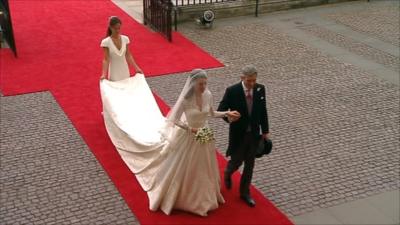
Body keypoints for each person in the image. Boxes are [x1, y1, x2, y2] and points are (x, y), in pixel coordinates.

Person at [100, 69, 240, 216]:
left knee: (204, 166)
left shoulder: (208, 95)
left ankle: (205, 193)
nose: (203, 87)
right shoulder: (186, 100)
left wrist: (226, 113)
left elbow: (210, 113)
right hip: (188, 136)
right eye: (200, 84)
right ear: (193, 84)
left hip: (204, 135)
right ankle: (185, 195)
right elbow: (174, 119)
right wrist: (189, 128)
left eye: (205, 83)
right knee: (184, 166)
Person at [217, 65, 270, 207]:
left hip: (254, 134)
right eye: (249, 81)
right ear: (242, 78)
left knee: (250, 165)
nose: (252, 84)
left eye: (254, 80)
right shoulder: (232, 91)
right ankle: (228, 173)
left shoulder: (260, 89)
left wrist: (265, 131)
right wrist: (229, 117)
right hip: (238, 135)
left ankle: (245, 193)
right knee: (236, 161)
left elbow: (263, 110)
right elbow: (221, 110)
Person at [100, 16, 143, 81]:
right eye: (115, 28)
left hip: (125, 71)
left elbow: (128, 55)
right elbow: (106, 59)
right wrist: (103, 74)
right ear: (110, 28)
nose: (117, 30)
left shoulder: (125, 39)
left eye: (119, 28)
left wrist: (137, 68)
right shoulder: (106, 42)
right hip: (114, 73)